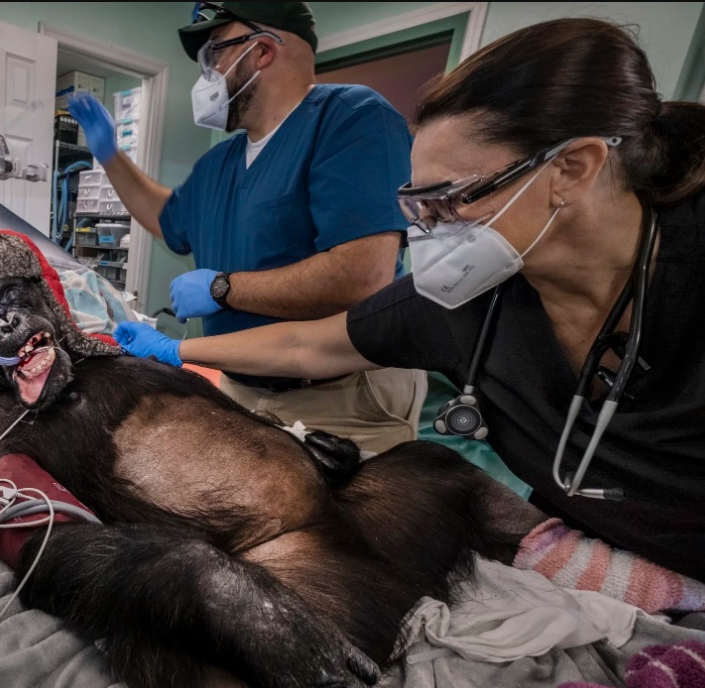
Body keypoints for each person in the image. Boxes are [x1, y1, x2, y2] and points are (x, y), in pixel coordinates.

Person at [115, 18, 705, 578]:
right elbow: (308, 344)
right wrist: (179, 350)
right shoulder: (468, 300)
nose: (430, 231)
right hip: (594, 560)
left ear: (572, 168)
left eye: (450, 199)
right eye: (418, 206)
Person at [66, 1, 424, 454]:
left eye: (214, 53)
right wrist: (110, 156)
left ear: (261, 51)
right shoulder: (221, 161)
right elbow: (167, 217)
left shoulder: (351, 119)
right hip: (240, 385)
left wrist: (222, 289)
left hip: (341, 395)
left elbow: (361, 276)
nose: (208, 74)